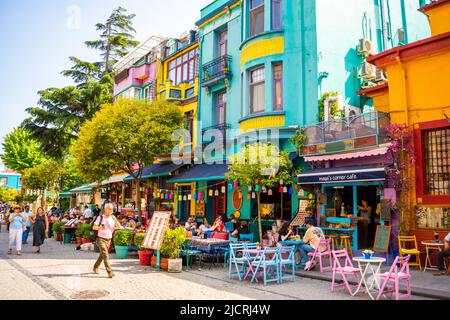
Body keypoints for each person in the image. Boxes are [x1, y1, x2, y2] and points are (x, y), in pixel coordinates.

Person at [92, 203, 121, 278]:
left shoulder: (112, 218)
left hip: (109, 239)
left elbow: (119, 226)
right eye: (109, 209)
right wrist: (100, 228)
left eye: (112, 209)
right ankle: (110, 271)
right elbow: (94, 227)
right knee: (105, 254)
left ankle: (95, 267)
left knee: (102, 255)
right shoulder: (100, 217)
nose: (111, 210)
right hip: (100, 238)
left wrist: (115, 219)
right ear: (105, 209)